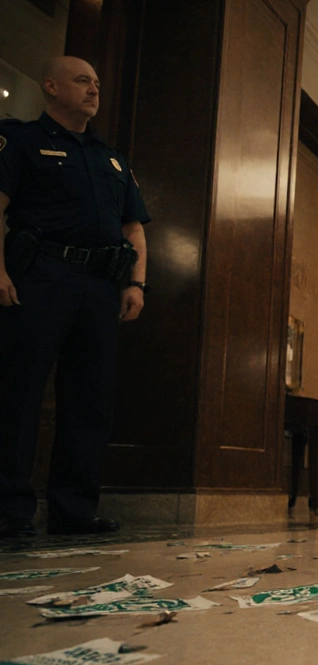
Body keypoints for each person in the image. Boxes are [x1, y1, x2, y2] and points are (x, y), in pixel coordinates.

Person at [0, 57, 150, 539]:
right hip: (41, 275)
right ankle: (9, 512)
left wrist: (136, 282)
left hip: (100, 284)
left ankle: (74, 512)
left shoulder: (112, 158)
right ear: (50, 86)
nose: (93, 89)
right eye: (83, 80)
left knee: (90, 399)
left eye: (97, 83)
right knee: (19, 394)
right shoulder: (22, 141)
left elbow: (133, 228)